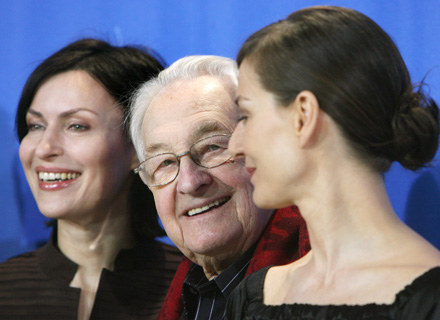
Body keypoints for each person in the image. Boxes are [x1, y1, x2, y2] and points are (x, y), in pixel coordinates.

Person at [226, 5, 440, 319]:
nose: (234, 145)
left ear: (304, 116)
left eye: (246, 116)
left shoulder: (430, 302)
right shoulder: (251, 297)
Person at [0, 39, 182, 320]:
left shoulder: (194, 287)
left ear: (139, 146)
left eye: (76, 126)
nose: (45, 148)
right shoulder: (5, 289)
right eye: (36, 125)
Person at [128, 55, 310, 320]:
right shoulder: (163, 298)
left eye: (213, 147)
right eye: (165, 162)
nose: (190, 182)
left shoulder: (330, 284)